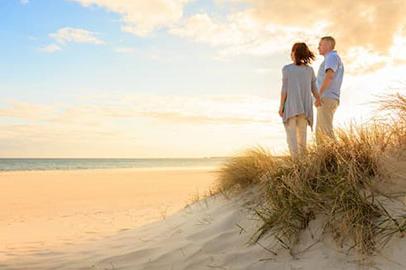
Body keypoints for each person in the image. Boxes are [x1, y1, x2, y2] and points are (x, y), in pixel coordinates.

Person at [279, 42, 321, 158]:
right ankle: (303, 164)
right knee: (302, 137)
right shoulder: (309, 70)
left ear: (294, 53)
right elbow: (314, 88)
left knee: (291, 138)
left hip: (291, 108)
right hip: (304, 109)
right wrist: (318, 99)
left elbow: (284, 89)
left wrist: (281, 106)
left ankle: (295, 164)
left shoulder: (287, 69)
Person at [315, 36, 344, 144]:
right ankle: (327, 159)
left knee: (325, 133)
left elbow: (329, 76)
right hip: (327, 98)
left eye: (320, 44)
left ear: (328, 45)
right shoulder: (332, 57)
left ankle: (337, 158)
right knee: (322, 133)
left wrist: (318, 95)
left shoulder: (332, 57)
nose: (318, 47)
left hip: (325, 98)